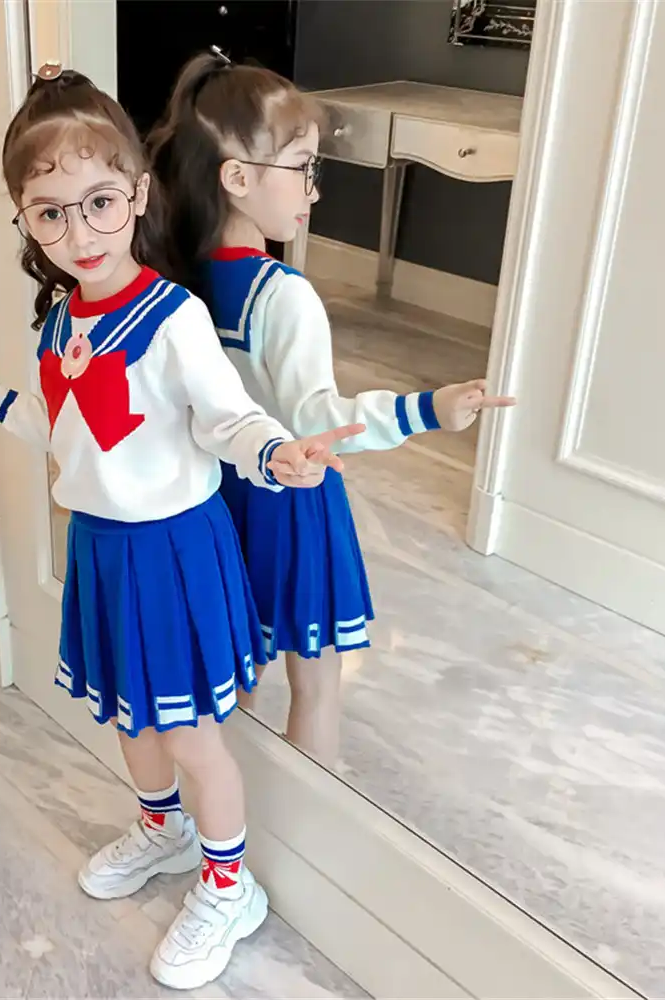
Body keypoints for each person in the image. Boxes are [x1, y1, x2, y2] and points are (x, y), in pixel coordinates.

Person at [0, 64, 362, 990]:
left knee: (194, 735)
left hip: (175, 549)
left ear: (140, 194)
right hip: (104, 547)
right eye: (50, 213)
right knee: (129, 715)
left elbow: (226, 419)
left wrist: (276, 453)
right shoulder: (58, 324)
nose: (79, 233)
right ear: (24, 220)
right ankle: (164, 829)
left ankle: (230, 886)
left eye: (100, 203)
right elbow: (62, 427)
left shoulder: (174, 317)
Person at [149, 51, 516, 768]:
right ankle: (306, 806)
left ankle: (229, 796)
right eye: (303, 167)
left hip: (215, 498)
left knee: (236, 666)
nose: (314, 191)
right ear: (237, 178)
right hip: (291, 502)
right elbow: (320, 424)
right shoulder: (283, 295)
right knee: (315, 683)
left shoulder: (175, 284)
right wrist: (428, 409)